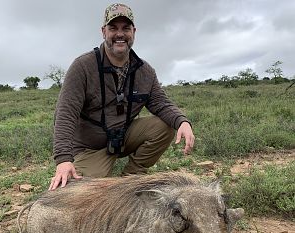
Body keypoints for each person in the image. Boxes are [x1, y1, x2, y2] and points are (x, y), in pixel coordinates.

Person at [49, 3, 194, 191]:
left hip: (122, 138)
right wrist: (63, 160)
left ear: (134, 32)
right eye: (113, 28)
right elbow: (65, 114)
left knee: (165, 125)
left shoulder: (145, 71)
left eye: (126, 28)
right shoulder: (82, 66)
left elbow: (161, 103)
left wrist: (182, 121)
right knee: (74, 193)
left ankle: (131, 179)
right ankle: (89, 174)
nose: (120, 34)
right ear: (103, 32)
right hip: (90, 147)